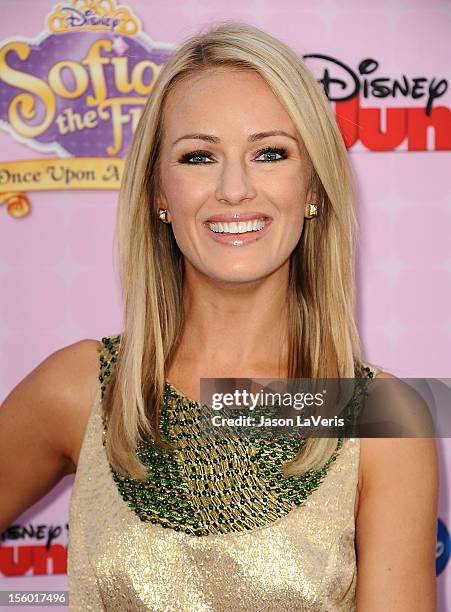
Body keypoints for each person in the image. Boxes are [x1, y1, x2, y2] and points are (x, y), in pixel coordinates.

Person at [0, 21, 438, 612]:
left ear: (313, 185)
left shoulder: (383, 420)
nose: (234, 189)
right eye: (199, 156)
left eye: (270, 153)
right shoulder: (80, 388)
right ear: (158, 191)